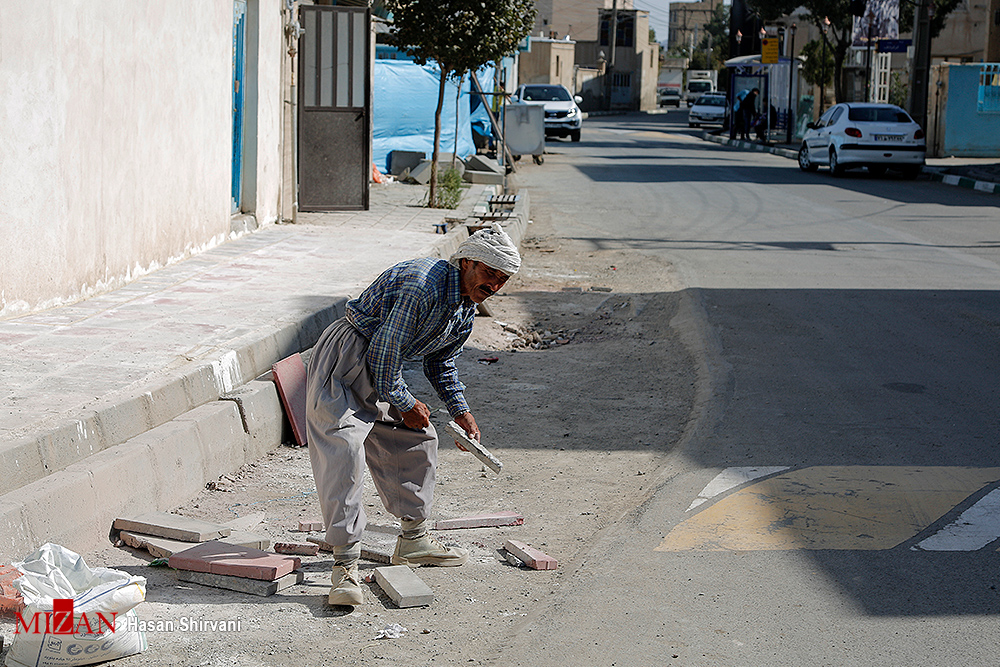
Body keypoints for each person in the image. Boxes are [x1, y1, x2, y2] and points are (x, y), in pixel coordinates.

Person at [305, 223, 521, 606]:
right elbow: (383, 356)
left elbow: (441, 362)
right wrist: (405, 403)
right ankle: (345, 567)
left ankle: (414, 541)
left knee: (416, 439)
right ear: (467, 262)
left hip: (381, 368)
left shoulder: (465, 308)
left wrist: (461, 409)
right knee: (344, 452)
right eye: (490, 275)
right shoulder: (425, 285)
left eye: (503, 280)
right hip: (346, 358)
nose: (495, 286)